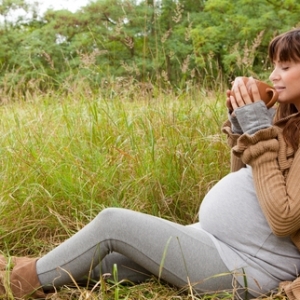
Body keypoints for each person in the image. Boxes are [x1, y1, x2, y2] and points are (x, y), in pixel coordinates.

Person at [2, 27, 300, 300]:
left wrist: (258, 131)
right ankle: (19, 269)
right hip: (213, 240)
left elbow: (283, 219)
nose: (274, 75)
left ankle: (14, 285)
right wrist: (241, 128)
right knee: (106, 263)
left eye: (285, 67)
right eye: (273, 65)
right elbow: (249, 178)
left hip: (247, 267)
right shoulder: (289, 123)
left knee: (113, 224)